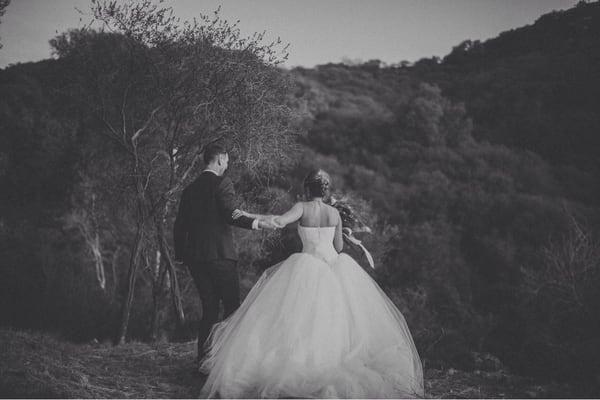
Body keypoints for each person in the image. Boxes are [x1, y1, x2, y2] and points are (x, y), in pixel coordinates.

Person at [199, 169, 424, 398]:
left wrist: (250, 215)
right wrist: (341, 234)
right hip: (333, 267)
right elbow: (338, 248)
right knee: (338, 320)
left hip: (305, 266)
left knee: (296, 320)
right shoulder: (334, 213)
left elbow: (279, 221)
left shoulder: (301, 208)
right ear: (326, 191)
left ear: (307, 188)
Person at [173, 143, 278, 366]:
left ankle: (203, 360)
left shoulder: (189, 190)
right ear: (219, 159)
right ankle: (230, 362)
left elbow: (179, 226)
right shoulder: (222, 183)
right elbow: (231, 215)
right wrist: (259, 223)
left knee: (209, 308)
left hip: (195, 258)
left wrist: (182, 255)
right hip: (220, 256)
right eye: (227, 160)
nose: (228, 164)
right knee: (232, 307)